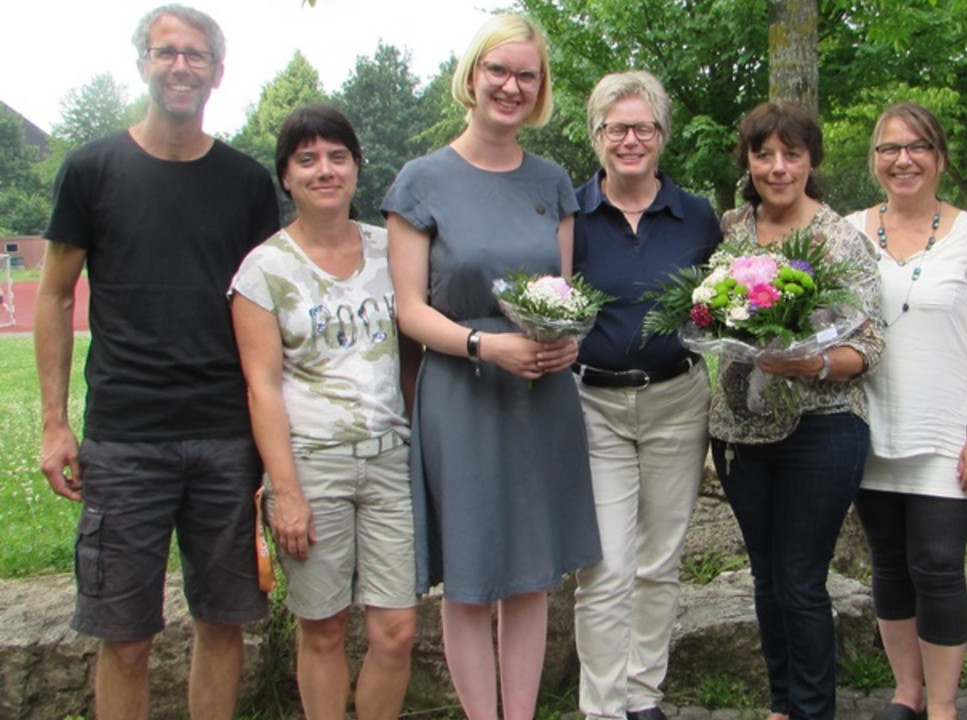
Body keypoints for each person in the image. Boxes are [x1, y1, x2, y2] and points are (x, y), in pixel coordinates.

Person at [33, 5, 280, 719]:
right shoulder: (91, 169)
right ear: (142, 62)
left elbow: (267, 314)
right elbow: (52, 297)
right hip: (124, 437)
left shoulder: (244, 183)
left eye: (195, 54)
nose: (180, 65)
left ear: (217, 72)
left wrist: (272, 450)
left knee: (223, 621)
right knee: (126, 637)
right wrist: (54, 424)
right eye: (165, 51)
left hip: (225, 438)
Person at [382, 14, 601, 720]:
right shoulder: (422, 181)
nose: (511, 86)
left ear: (540, 90)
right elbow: (410, 310)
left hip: (540, 392)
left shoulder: (554, 180)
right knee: (473, 578)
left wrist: (564, 343)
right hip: (463, 390)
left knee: (531, 576)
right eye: (498, 71)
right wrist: (484, 345)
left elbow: (560, 297)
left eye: (526, 75)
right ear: (472, 76)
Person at [229, 105, 421, 720]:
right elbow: (261, 387)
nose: (324, 170)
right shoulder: (264, 270)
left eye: (337, 156)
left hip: (390, 459)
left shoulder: (389, 248)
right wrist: (284, 492)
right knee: (325, 630)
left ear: (357, 167)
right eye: (307, 159)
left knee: (397, 630)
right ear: (285, 176)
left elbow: (415, 351)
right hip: (312, 466)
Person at [710, 102, 884, 720]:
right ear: (748, 161)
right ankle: (783, 703)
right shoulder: (731, 231)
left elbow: (869, 345)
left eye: (792, 154)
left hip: (824, 427)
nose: (777, 167)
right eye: (764, 154)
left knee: (801, 580)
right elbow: (703, 311)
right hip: (739, 429)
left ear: (812, 160)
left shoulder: (840, 238)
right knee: (765, 576)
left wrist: (813, 364)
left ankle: (812, 710)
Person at [845, 103, 967, 720]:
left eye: (917, 147)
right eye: (890, 149)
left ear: (939, 157)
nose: (903, 159)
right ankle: (906, 693)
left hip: (948, 431)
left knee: (939, 565)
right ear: (875, 161)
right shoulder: (850, 232)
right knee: (890, 565)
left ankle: (942, 705)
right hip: (868, 428)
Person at [570, 70, 721, 720]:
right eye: (616, 127)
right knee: (604, 565)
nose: (630, 139)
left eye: (643, 128)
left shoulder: (696, 217)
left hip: (675, 400)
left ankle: (641, 696)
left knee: (659, 559)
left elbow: (718, 307)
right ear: (597, 135)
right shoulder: (570, 214)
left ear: (661, 135)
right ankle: (602, 707)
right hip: (595, 403)